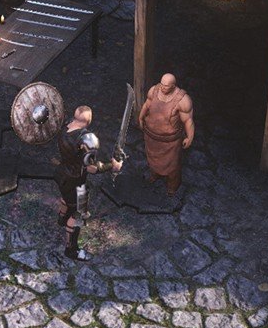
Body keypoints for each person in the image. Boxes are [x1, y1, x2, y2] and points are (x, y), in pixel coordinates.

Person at [56, 105, 122, 260]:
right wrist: (112, 166)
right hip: (76, 180)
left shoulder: (64, 127)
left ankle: (62, 219)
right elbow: (92, 168)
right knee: (80, 214)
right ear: (89, 120)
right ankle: (71, 250)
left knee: (67, 198)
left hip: (61, 174)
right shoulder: (87, 139)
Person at [138, 72, 195, 194]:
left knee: (172, 166)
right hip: (152, 138)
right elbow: (146, 105)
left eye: (166, 86)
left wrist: (189, 137)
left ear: (173, 86)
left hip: (170, 143)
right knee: (153, 160)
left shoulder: (183, 100)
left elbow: (188, 120)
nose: (163, 87)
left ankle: (172, 185)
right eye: (162, 84)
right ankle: (155, 174)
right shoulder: (154, 90)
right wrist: (141, 118)